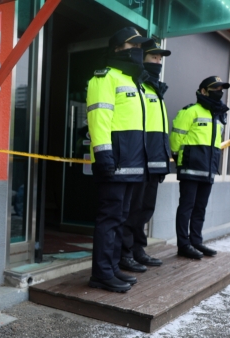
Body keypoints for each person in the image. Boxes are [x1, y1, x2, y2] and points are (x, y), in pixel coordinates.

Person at [86, 27, 150, 293]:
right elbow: (99, 120)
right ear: (116, 49)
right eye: (131, 46)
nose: (138, 51)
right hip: (113, 162)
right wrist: (104, 157)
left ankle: (111, 269)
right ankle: (101, 274)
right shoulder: (105, 78)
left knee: (120, 218)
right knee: (109, 218)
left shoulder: (134, 82)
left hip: (131, 163)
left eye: (140, 47)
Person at [119, 39, 171, 273]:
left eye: (160, 58)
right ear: (142, 58)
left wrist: (163, 162)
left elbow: (160, 130)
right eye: (153, 57)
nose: (158, 61)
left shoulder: (157, 90)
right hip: (140, 159)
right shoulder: (138, 85)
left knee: (145, 209)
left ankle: (138, 249)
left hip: (155, 161)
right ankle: (125, 253)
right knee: (132, 209)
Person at [170, 76, 230, 259]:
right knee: (186, 207)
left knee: (200, 208)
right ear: (203, 91)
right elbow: (175, 139)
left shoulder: (218, 115)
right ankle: (183, 245)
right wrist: (179, 159)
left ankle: (196, 241)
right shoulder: (191, 111)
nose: (219, 91)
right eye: (215, 88)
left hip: (208, 168)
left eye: (221, 88)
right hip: (190, 168)